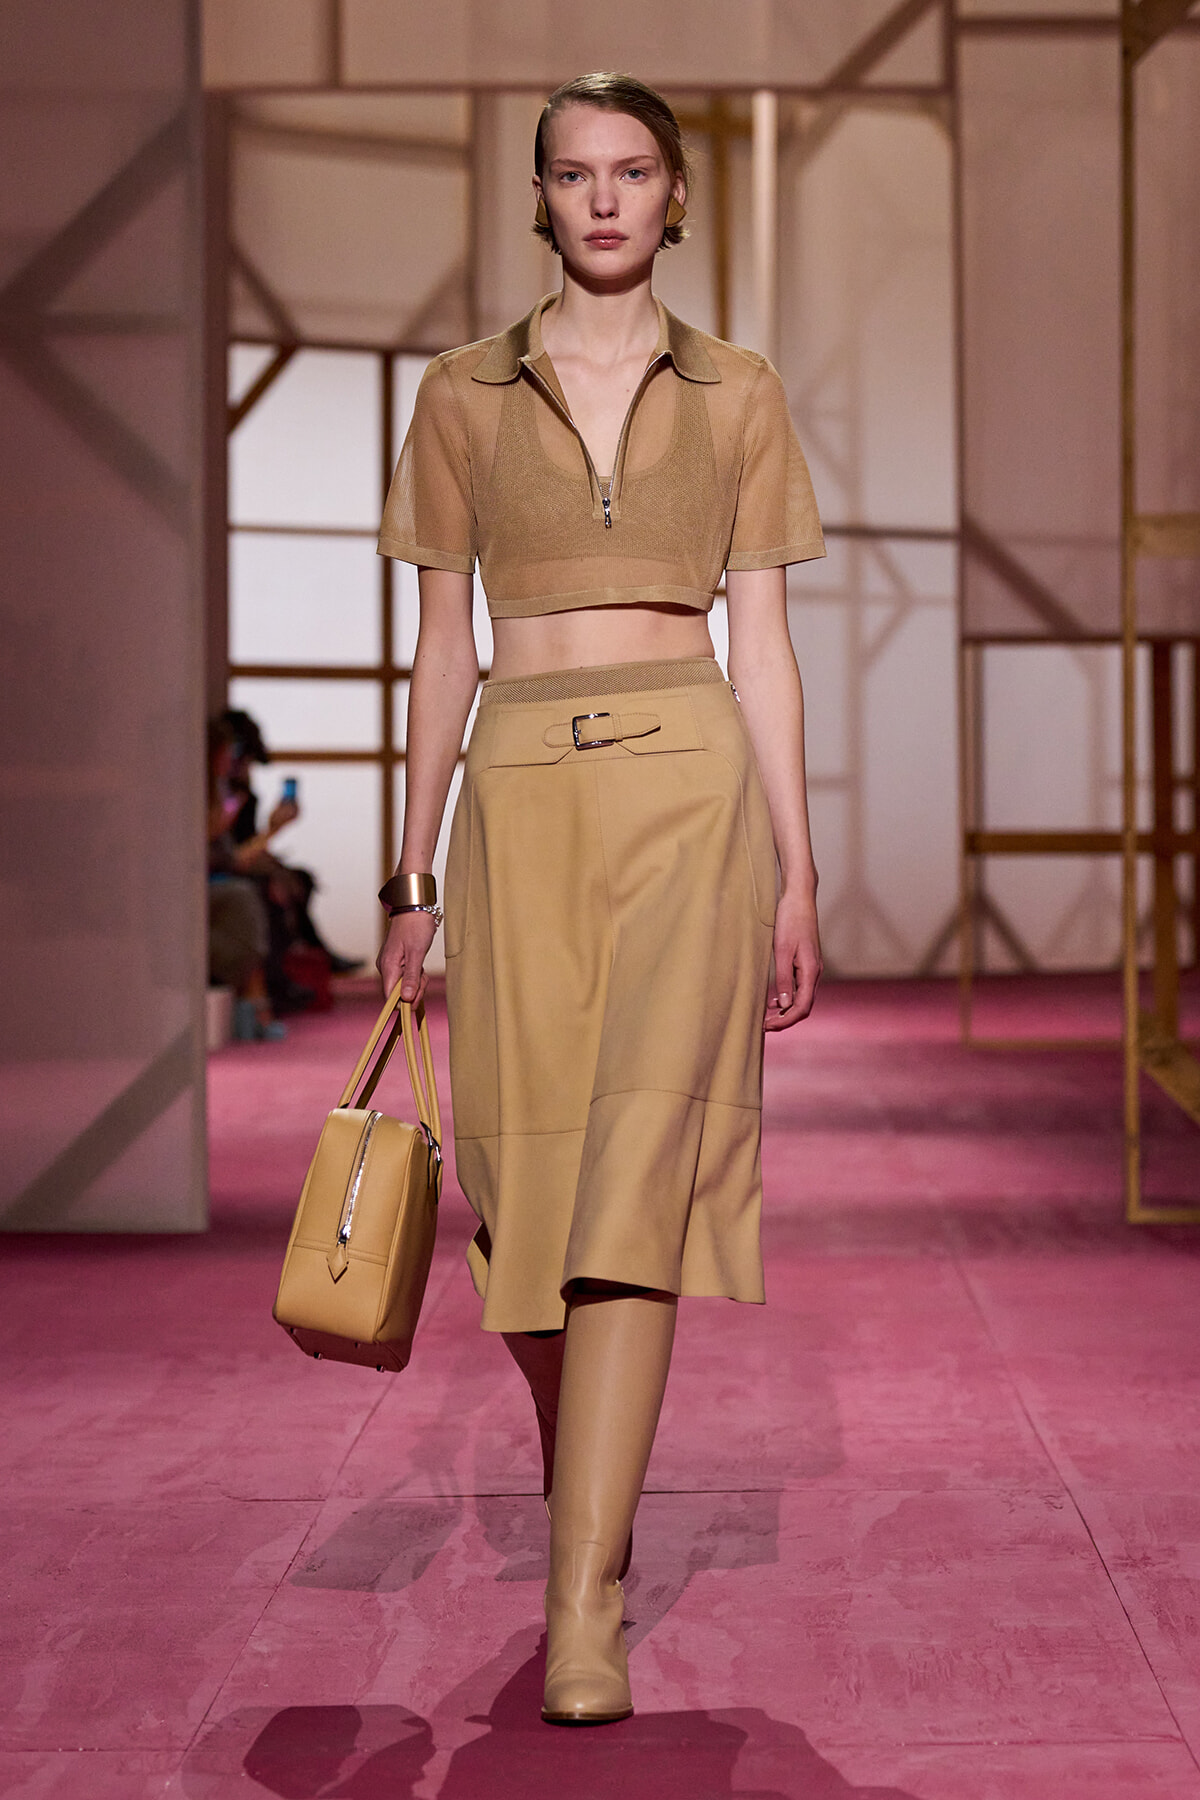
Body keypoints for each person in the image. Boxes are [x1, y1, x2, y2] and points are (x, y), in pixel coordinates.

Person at [376, 72, 825, 1726]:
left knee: (636, 1170)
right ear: (545, 199)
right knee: (517, 1183)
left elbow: (764, 645)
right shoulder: (460, 395)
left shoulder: (740, 392)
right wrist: (407, 863)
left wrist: (800, 860)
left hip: (689, 793)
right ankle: (598, 1492)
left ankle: (587, 1601)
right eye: (577, 174)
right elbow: (439, 647)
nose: (607, 199)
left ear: (678, 195)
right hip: (519, 800)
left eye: (635, 171)